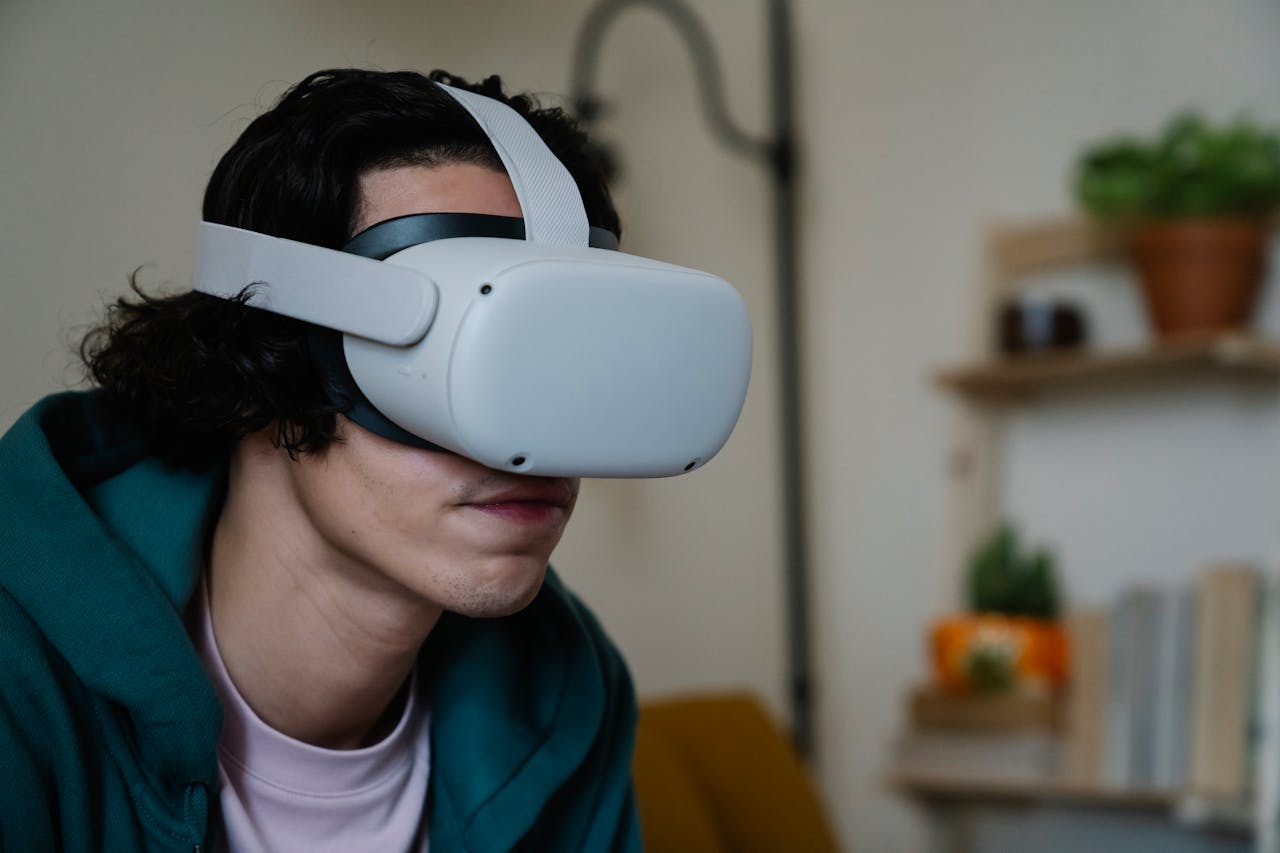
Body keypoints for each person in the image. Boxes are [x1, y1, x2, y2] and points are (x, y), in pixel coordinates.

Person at [0, 68, 640, 852]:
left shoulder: (569, 687)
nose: (533, 437)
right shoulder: (16, 680)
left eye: (568, 356)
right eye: (451, 350)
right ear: (260, 370)